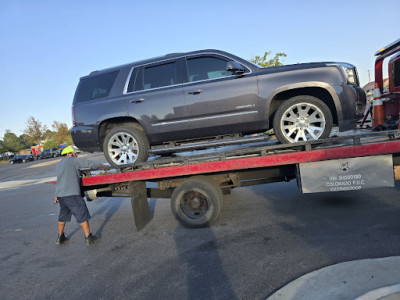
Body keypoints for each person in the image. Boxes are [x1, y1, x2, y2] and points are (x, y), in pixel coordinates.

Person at [54, 146, 104, 246]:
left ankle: (60, 237)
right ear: (70, 154)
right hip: (71, 194)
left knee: (62, 216)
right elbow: (89, 164)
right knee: (82, 215)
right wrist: (101, 165)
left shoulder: (59, 164)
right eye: (74, 153)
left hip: (61, 195)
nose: (76, 155)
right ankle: (88, 237)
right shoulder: (73, 160)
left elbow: (59, 180)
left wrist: (56, 194)